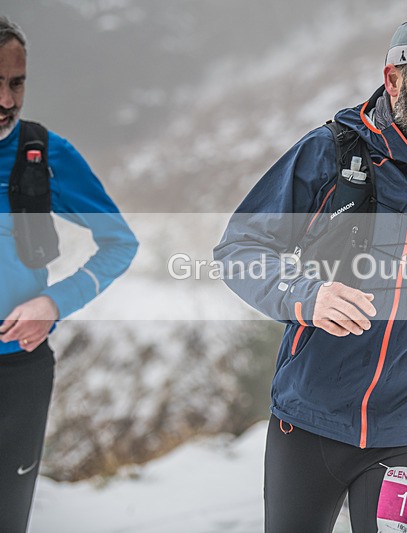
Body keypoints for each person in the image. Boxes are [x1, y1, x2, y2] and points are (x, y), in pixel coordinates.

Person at [215, 14, 407, 532]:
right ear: (393, 78)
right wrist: (307, 295)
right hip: (309, 419)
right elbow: (240, 248)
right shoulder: (329, 154)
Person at [0, 17, 138, 532]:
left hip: (18, 373)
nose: (9, 101)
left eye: (17, 83)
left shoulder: (43, 153)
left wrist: (54, 303)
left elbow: (120, 243)